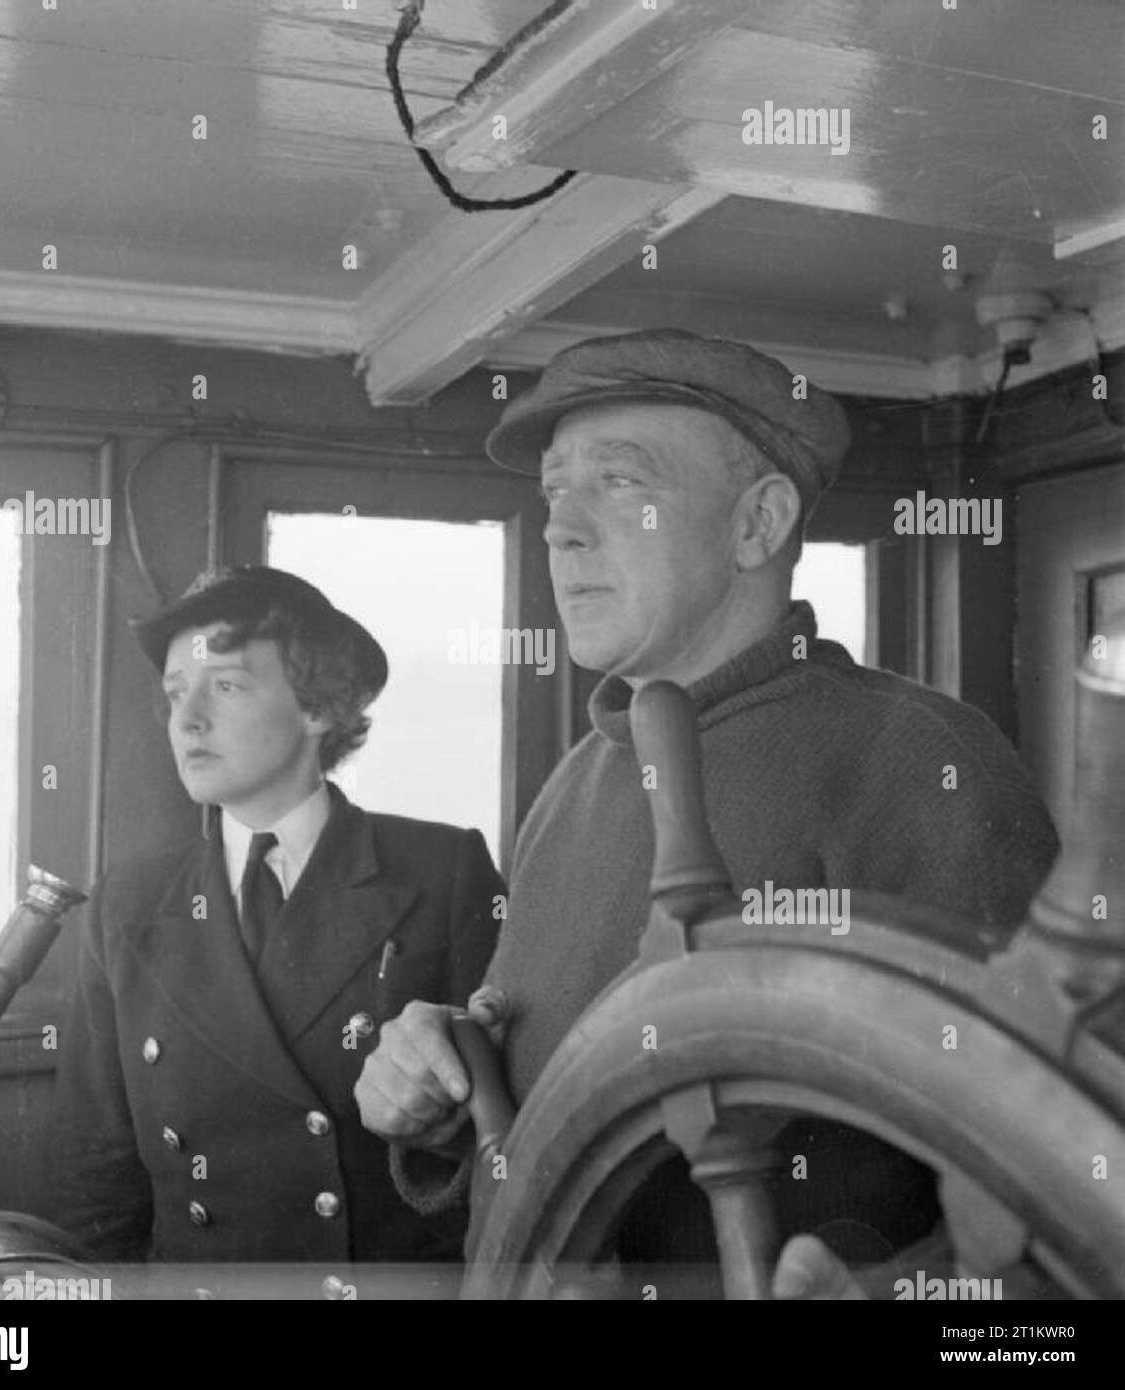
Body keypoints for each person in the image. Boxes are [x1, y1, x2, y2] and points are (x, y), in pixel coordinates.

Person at [355, 328, 1060, 1298]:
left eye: (617, 481)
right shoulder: (575, 781)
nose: (559, 528)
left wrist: (901, 1292)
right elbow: (539, 1069)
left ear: (756, 524)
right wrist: (439, 1076)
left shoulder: (921, 759)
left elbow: (1069, 1165)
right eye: (555, 490)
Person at [51, 565, 503, 1291]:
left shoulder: (443, 871)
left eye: (224, 687)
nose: (188, 719)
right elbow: (94, 1176)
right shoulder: (126, 904)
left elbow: (507, 1140)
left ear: (319, 707)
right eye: (175, 695)